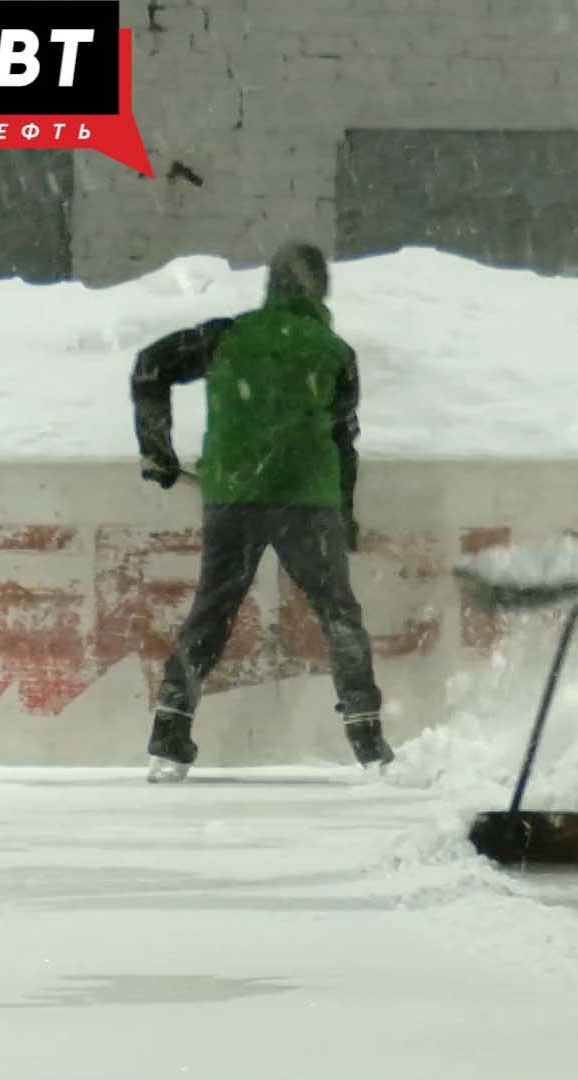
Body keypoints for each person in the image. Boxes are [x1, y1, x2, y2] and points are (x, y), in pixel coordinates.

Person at [129, 241, 392, 782]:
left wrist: (156, 449)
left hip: (234, 496)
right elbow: (344, 441)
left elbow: (149, 366)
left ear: (271, 285)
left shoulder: (227, 335)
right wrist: (343, 516)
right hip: (308, 499)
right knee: (338, 614)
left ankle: (169, 734)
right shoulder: (335, 353)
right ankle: (368, 740)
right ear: (321, 288)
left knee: (211, 613)